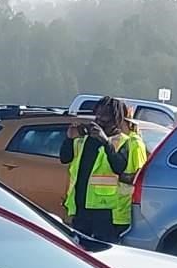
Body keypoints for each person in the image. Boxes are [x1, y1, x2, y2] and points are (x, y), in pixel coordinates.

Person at [61, 97, 148, 240]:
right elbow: (65, 158)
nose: (100, 120)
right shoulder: (85, 139)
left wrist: (105, 142)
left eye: (105, 117)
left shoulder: (123, 142)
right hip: (81, 206)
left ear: (116, 119)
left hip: (107, 211)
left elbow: (119, 167)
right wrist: (69, 138)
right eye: (98, 115)